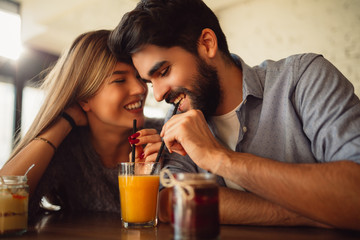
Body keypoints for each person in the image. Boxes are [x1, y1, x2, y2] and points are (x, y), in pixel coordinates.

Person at [108, 0, 360, 230]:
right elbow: (169, 202)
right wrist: (315, 211)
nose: (160, 95)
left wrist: (220, 159)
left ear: (207, 43)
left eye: (163, 71)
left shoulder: (304, 79)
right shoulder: (178, 118)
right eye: (151, 83)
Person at [0, 30, 163, 219]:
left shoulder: (165, 137)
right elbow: (5, 206)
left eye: (139, 77)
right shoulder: (68, 150)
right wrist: (65, 121)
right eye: (119, 80)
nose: (141, 88)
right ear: (83, 98)